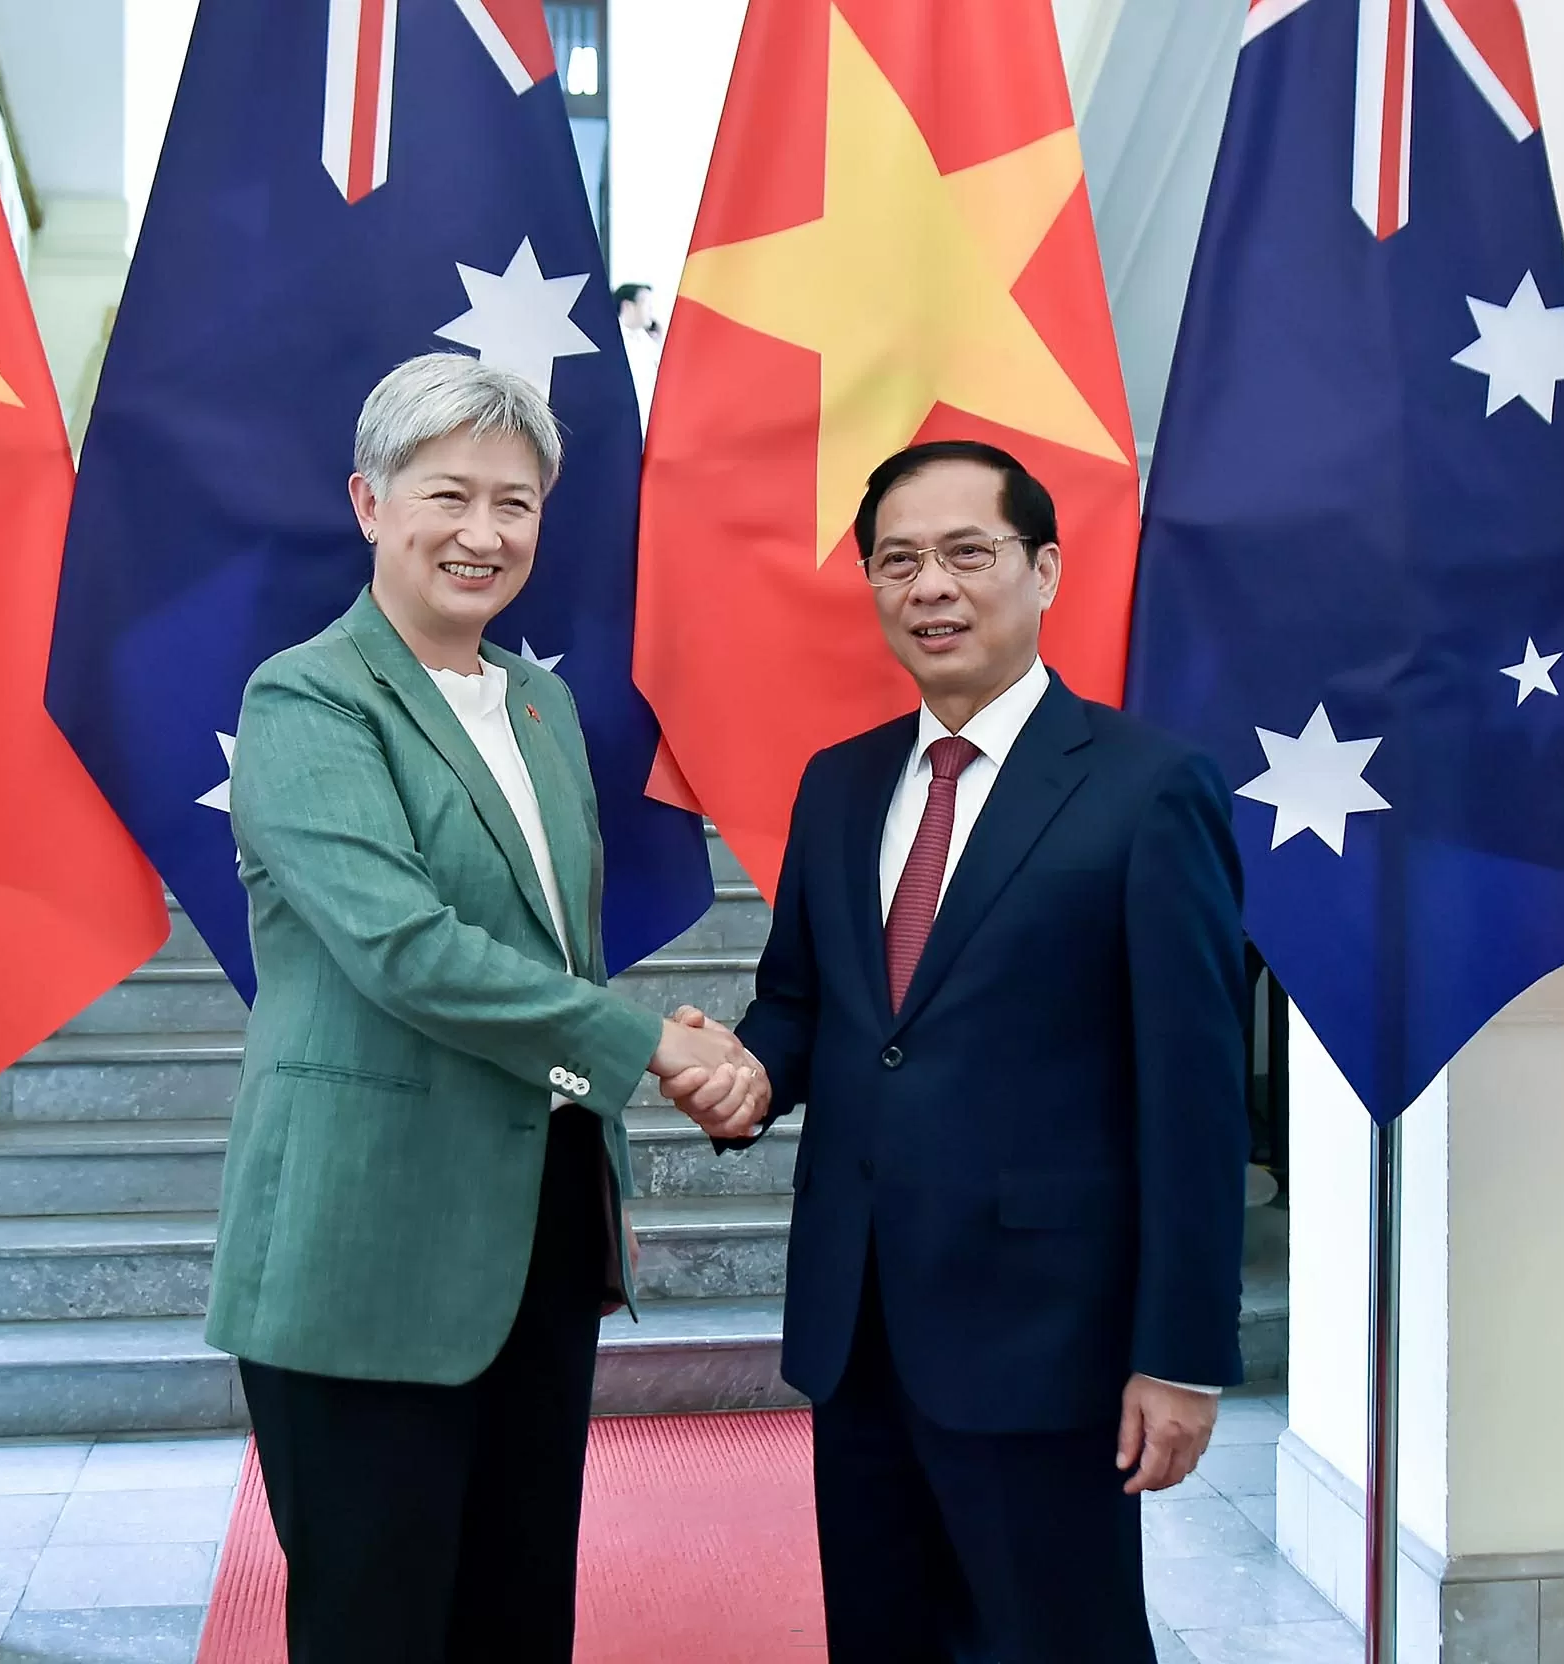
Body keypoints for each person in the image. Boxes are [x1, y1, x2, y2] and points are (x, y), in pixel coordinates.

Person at [205, 353, 766, 1663]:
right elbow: (405, 948)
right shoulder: (307, 699)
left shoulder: (539, 700)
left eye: (515, 504)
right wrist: (652, 1048)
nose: (482, 533)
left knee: (516, 1616)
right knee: (379, 1621)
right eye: (446, 495)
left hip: (536, 1232)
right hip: (367, 1240)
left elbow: (548, 949)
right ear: (368, 502)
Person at [669, 440, 1249, 1662]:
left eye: (965, 553)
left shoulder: (1150, 790)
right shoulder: (839, 783)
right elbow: (806, 1007)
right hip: (858, 1322)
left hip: (1050, 1337)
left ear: (1043, 570)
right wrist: (751, 1073)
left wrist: (1182, 1353)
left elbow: (1195, 1103)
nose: (930, 585)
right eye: (897, 560)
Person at [614, 281, 662, 428]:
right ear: (628, 306)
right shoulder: (613, 341)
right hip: (623, 425)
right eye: (646, 304)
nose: (651, 310)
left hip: (649, 425)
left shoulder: (649, 343)